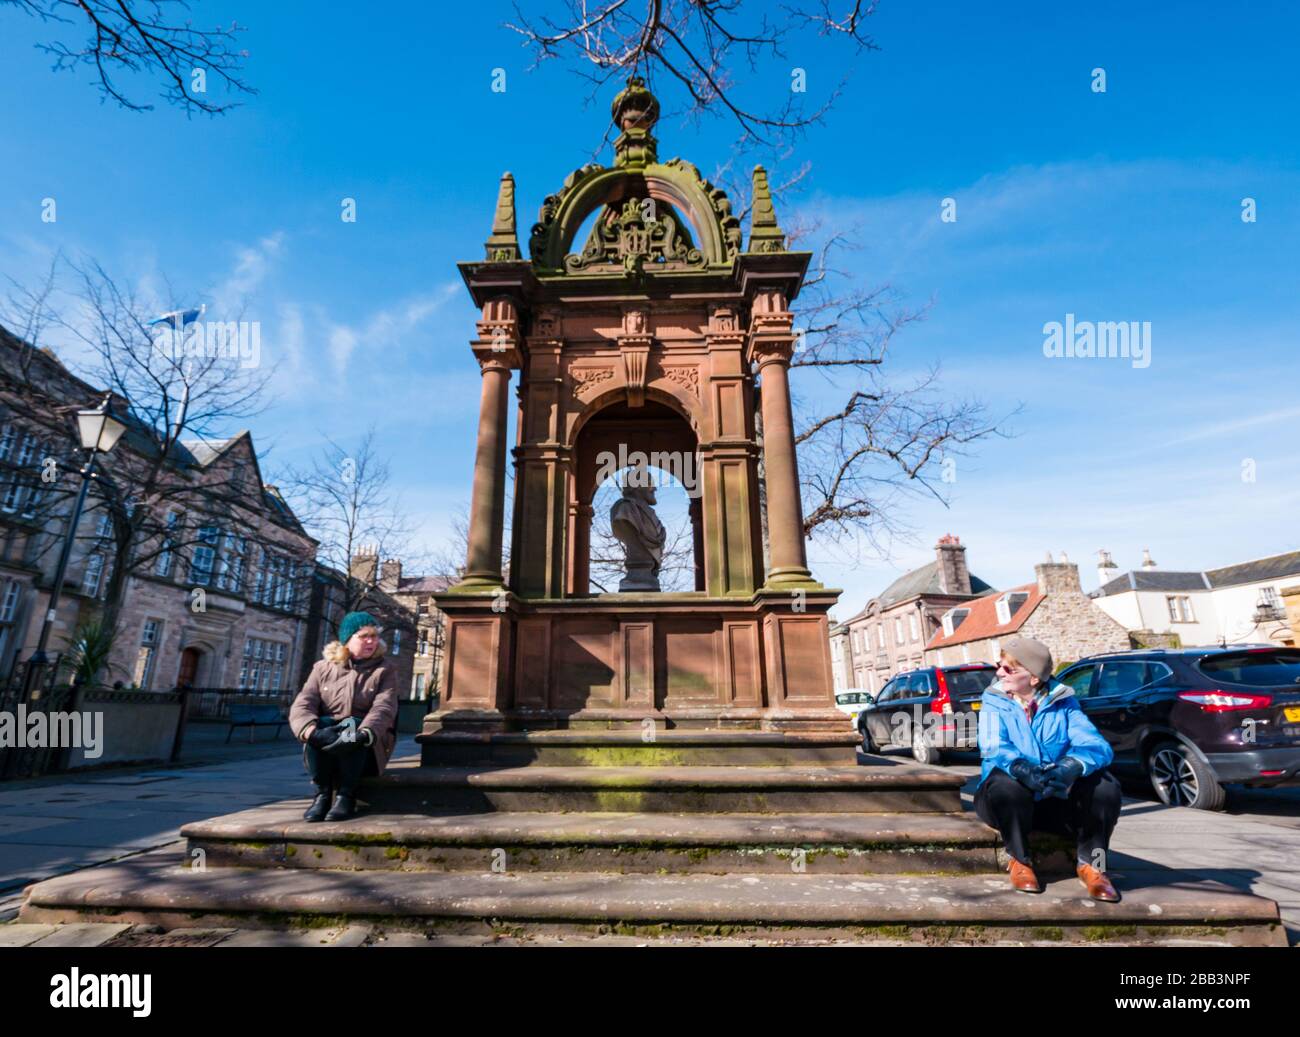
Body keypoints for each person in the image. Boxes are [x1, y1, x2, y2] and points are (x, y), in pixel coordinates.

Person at [974, 635, 1122, 901]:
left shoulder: (1064, 701)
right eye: (999, 665)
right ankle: (1019, 859)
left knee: (1105, 786)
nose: (999, 672)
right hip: (1007, 802)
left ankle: (1093, 865)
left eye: (1008, 668)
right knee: (1005, 784)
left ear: (1032, 677)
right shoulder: (993, 700)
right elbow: (992, 744)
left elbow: (1095, 745)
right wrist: (1020, 767)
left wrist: (1071, 766)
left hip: (1054, 798)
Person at [289, 611, 399, 822]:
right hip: (329, 736)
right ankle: (322, 794)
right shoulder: (322, 668)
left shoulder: (385, 670)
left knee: (352, 725)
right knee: (318, 727)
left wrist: (365, 733)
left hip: (365, 743)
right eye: (364, 636)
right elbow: (304, 702)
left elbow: (384, 707)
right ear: (347, 641)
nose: (371, 641)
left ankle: (345, 795)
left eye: (374, 636)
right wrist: (310, 731)